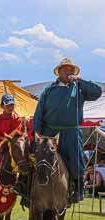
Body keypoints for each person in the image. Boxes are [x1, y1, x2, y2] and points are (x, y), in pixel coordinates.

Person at [33, 58, 102, 204]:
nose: (68, 72)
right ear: (59, 72)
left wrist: (81, 81)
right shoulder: (49, 90)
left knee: (76, 158)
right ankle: (27, 189)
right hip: (49, 131)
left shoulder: (80, 88)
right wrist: (36, 131)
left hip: (71, 131)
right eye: (65, 69)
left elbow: (97, 92)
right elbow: (39, 110)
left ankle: (78, 189)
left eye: (71, 70)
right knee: (38, 156)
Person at [0, 94, 26, 197]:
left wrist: (7, 139)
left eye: (12, 105)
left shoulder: (16, 119)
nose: (10, 107)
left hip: (13, 145)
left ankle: (20, 185)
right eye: (7, 105)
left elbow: (16, 132)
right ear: (2, 106)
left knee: (22, 162)